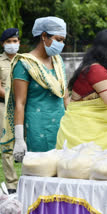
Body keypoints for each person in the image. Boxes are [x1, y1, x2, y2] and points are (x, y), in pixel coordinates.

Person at [0, 17, 69, 163]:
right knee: (41, 172)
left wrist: (72, 122)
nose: (61, 44)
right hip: (38, 128)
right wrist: (19, 139)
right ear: (44, 36)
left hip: (61, 126)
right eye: (58, 39)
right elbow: (20, 103)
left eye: (63, 40)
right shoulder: (24, 64)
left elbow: (64, 95)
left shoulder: (58, 61)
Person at [0, 28, 20, 194]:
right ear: (3, 44)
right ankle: (12, 185)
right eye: (9, 42)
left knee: (28, 141)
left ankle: (28, 180)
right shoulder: (0, 61)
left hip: (25, 106)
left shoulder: (25, 61)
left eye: (15, 41)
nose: (12, 45)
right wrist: (13, 97)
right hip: (4, 107)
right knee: (7, 146)